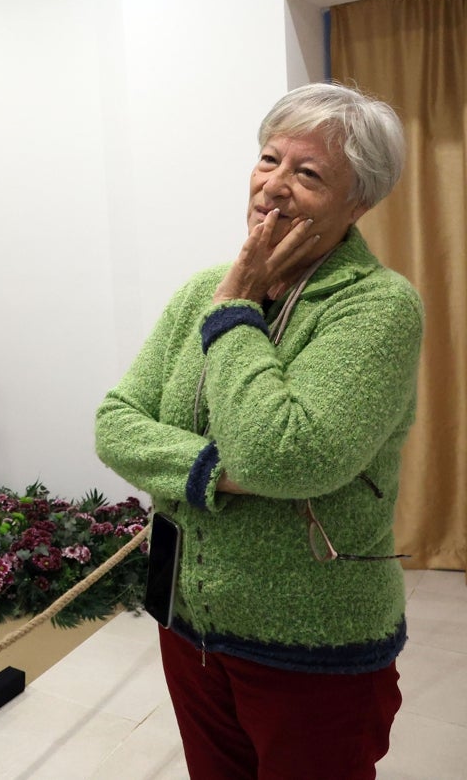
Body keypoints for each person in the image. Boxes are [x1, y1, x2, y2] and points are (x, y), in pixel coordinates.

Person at [95, 82, 422, 779]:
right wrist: (218, 472)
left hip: (312, 645)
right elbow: (116, 423)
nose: (274, 185)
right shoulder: (203, 288)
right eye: (269, 158)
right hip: (189, 623)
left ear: (357, 201)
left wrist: (236, 312)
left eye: (307, 173)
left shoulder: (379, 307)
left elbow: (287, 454)